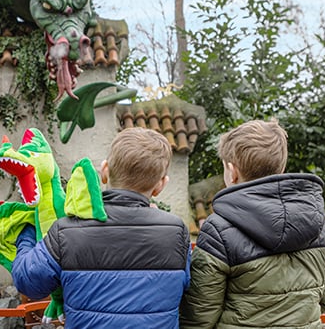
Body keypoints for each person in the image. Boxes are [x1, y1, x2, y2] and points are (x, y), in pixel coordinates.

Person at [12, 127, 191, 328]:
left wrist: (27, 232)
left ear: (104, 171)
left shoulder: (66, 230)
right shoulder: (177, 231)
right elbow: (185, 287)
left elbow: (28, 282)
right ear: (161, 185)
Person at [179, 119, 325, 329]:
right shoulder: (317, 224)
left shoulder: (218, 229)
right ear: (281, 167)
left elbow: (200, 314)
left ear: (232, 171)